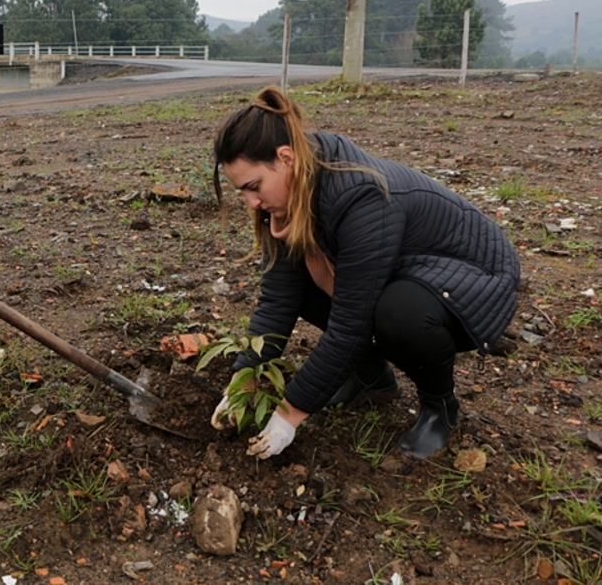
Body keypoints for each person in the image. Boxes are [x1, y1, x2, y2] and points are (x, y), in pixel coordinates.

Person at [209, 86, 520, 459]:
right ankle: (372, 378)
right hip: (409, 269)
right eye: (242, 192)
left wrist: (288, 415)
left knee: (398, 312)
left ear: (285, 158)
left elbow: (352, 323)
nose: (252, 202)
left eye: (254, 187)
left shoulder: (361, 197)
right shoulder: (287, 198)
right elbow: (279, 298)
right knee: (305, 287)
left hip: (474, 276)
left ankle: (440, 406)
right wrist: (243, 380)